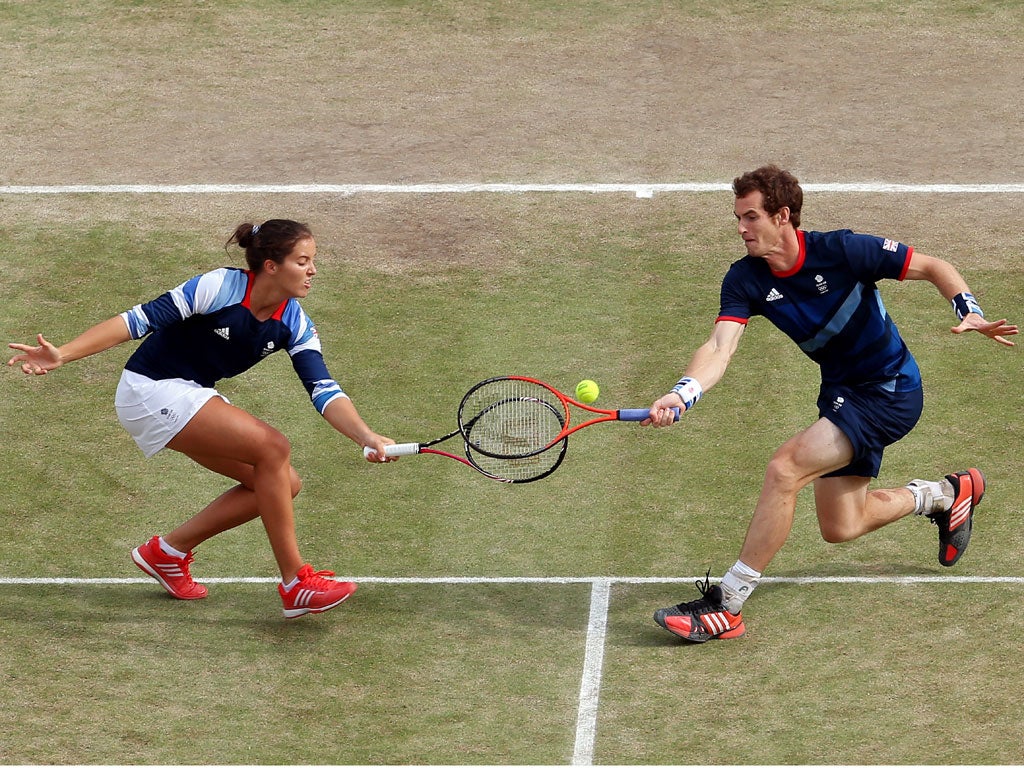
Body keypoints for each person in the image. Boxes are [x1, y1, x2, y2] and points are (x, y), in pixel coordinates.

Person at [644, 165, 1017, 642]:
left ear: (782, 216)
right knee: (842, 524)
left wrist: (970, 310)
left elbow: (931, 267)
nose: (741, 228)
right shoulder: (745, 279)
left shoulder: (842, 251)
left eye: (751, 217)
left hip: (889, 390)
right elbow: (720, 347)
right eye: (738, 218)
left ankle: (728, 603)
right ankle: (944, 495)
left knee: (785, 469)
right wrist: (683, 392)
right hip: (842, 394)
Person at [8, 219, 396, 618]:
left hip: (191, 392)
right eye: (303, 261)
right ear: (271, 265)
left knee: (281, 482)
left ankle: (167, 552)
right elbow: (135, 321)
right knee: (273, 448)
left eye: (313, 261)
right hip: (150, 388)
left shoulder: (294, 323)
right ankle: (296, 581)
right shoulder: (218, 287)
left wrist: (365, 435)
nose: (313, 270)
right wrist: (64, 354)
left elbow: (323, 389)